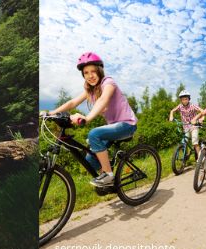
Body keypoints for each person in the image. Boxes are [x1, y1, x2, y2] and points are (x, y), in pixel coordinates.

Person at [43, 52, 138, 187]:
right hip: (113, 127)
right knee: (90, 159)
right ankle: (109, 180)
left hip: (127, 124)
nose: (90, 75)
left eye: (93, 71)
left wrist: (87, 118)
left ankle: (108, 175)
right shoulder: (91, 90)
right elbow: (73, 102)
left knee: (94, 134)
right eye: (86, 73)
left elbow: (103, 100)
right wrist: (50, 113)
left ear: (100, 71)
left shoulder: (108, 82)